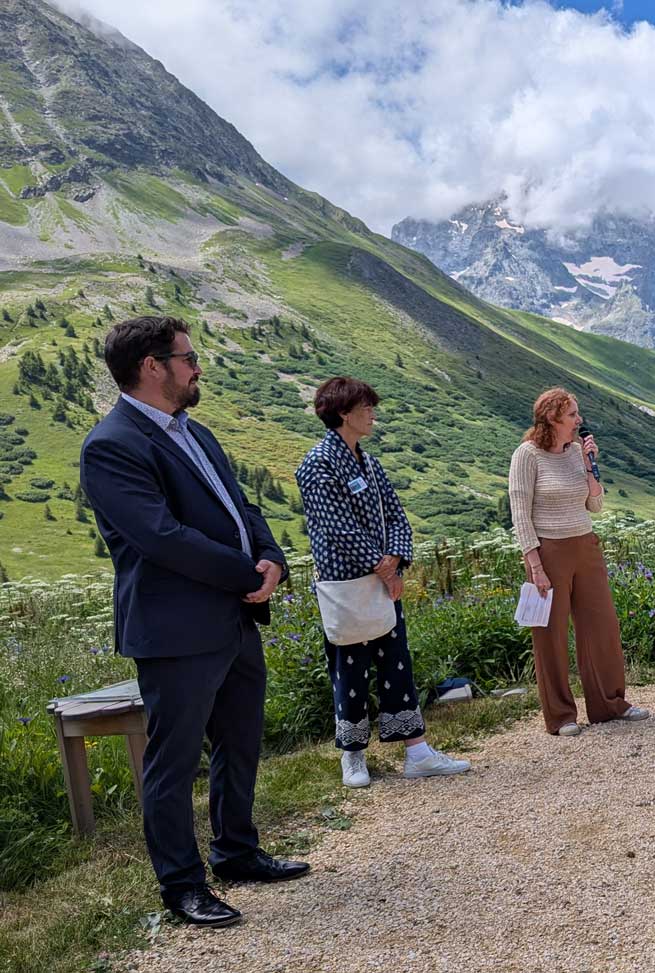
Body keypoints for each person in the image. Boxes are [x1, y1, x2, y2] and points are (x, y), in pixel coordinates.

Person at [80, 316, 308, 929]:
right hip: (176, 629)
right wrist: (244, 572)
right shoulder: (112, 444)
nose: (196, 366)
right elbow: (161, 537)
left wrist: (273, 560)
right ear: (152, 366)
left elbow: (242, 506)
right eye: (188, 357)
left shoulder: (196, 432)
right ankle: (181, 885)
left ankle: (236, 851)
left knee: (239, 741)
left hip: (234, 616)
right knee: (174, 761)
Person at [295, 377, 470, 786]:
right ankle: (353, 756)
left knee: (396, 661)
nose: (373, 413)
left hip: (381, 578)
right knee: (349, 666)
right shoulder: (316, 463)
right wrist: (384, 566)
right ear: (343, 412)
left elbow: (396, 514)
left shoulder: (369, 463)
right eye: (366, 407)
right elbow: (336, 527)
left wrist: (396, 560)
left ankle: (417, 751)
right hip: (346, 584)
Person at [508, 388, 649, 735]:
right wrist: (535, 564)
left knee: (601, 626)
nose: (579, 420)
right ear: (553, 418)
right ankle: (561, 716)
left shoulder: (576, 453)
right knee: (550, 635)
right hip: (548, 552)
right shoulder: (527, 455)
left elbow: (595, 506)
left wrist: (589, 466)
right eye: (572, 415)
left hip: (585, 545)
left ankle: (610, 704)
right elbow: (520, 514)